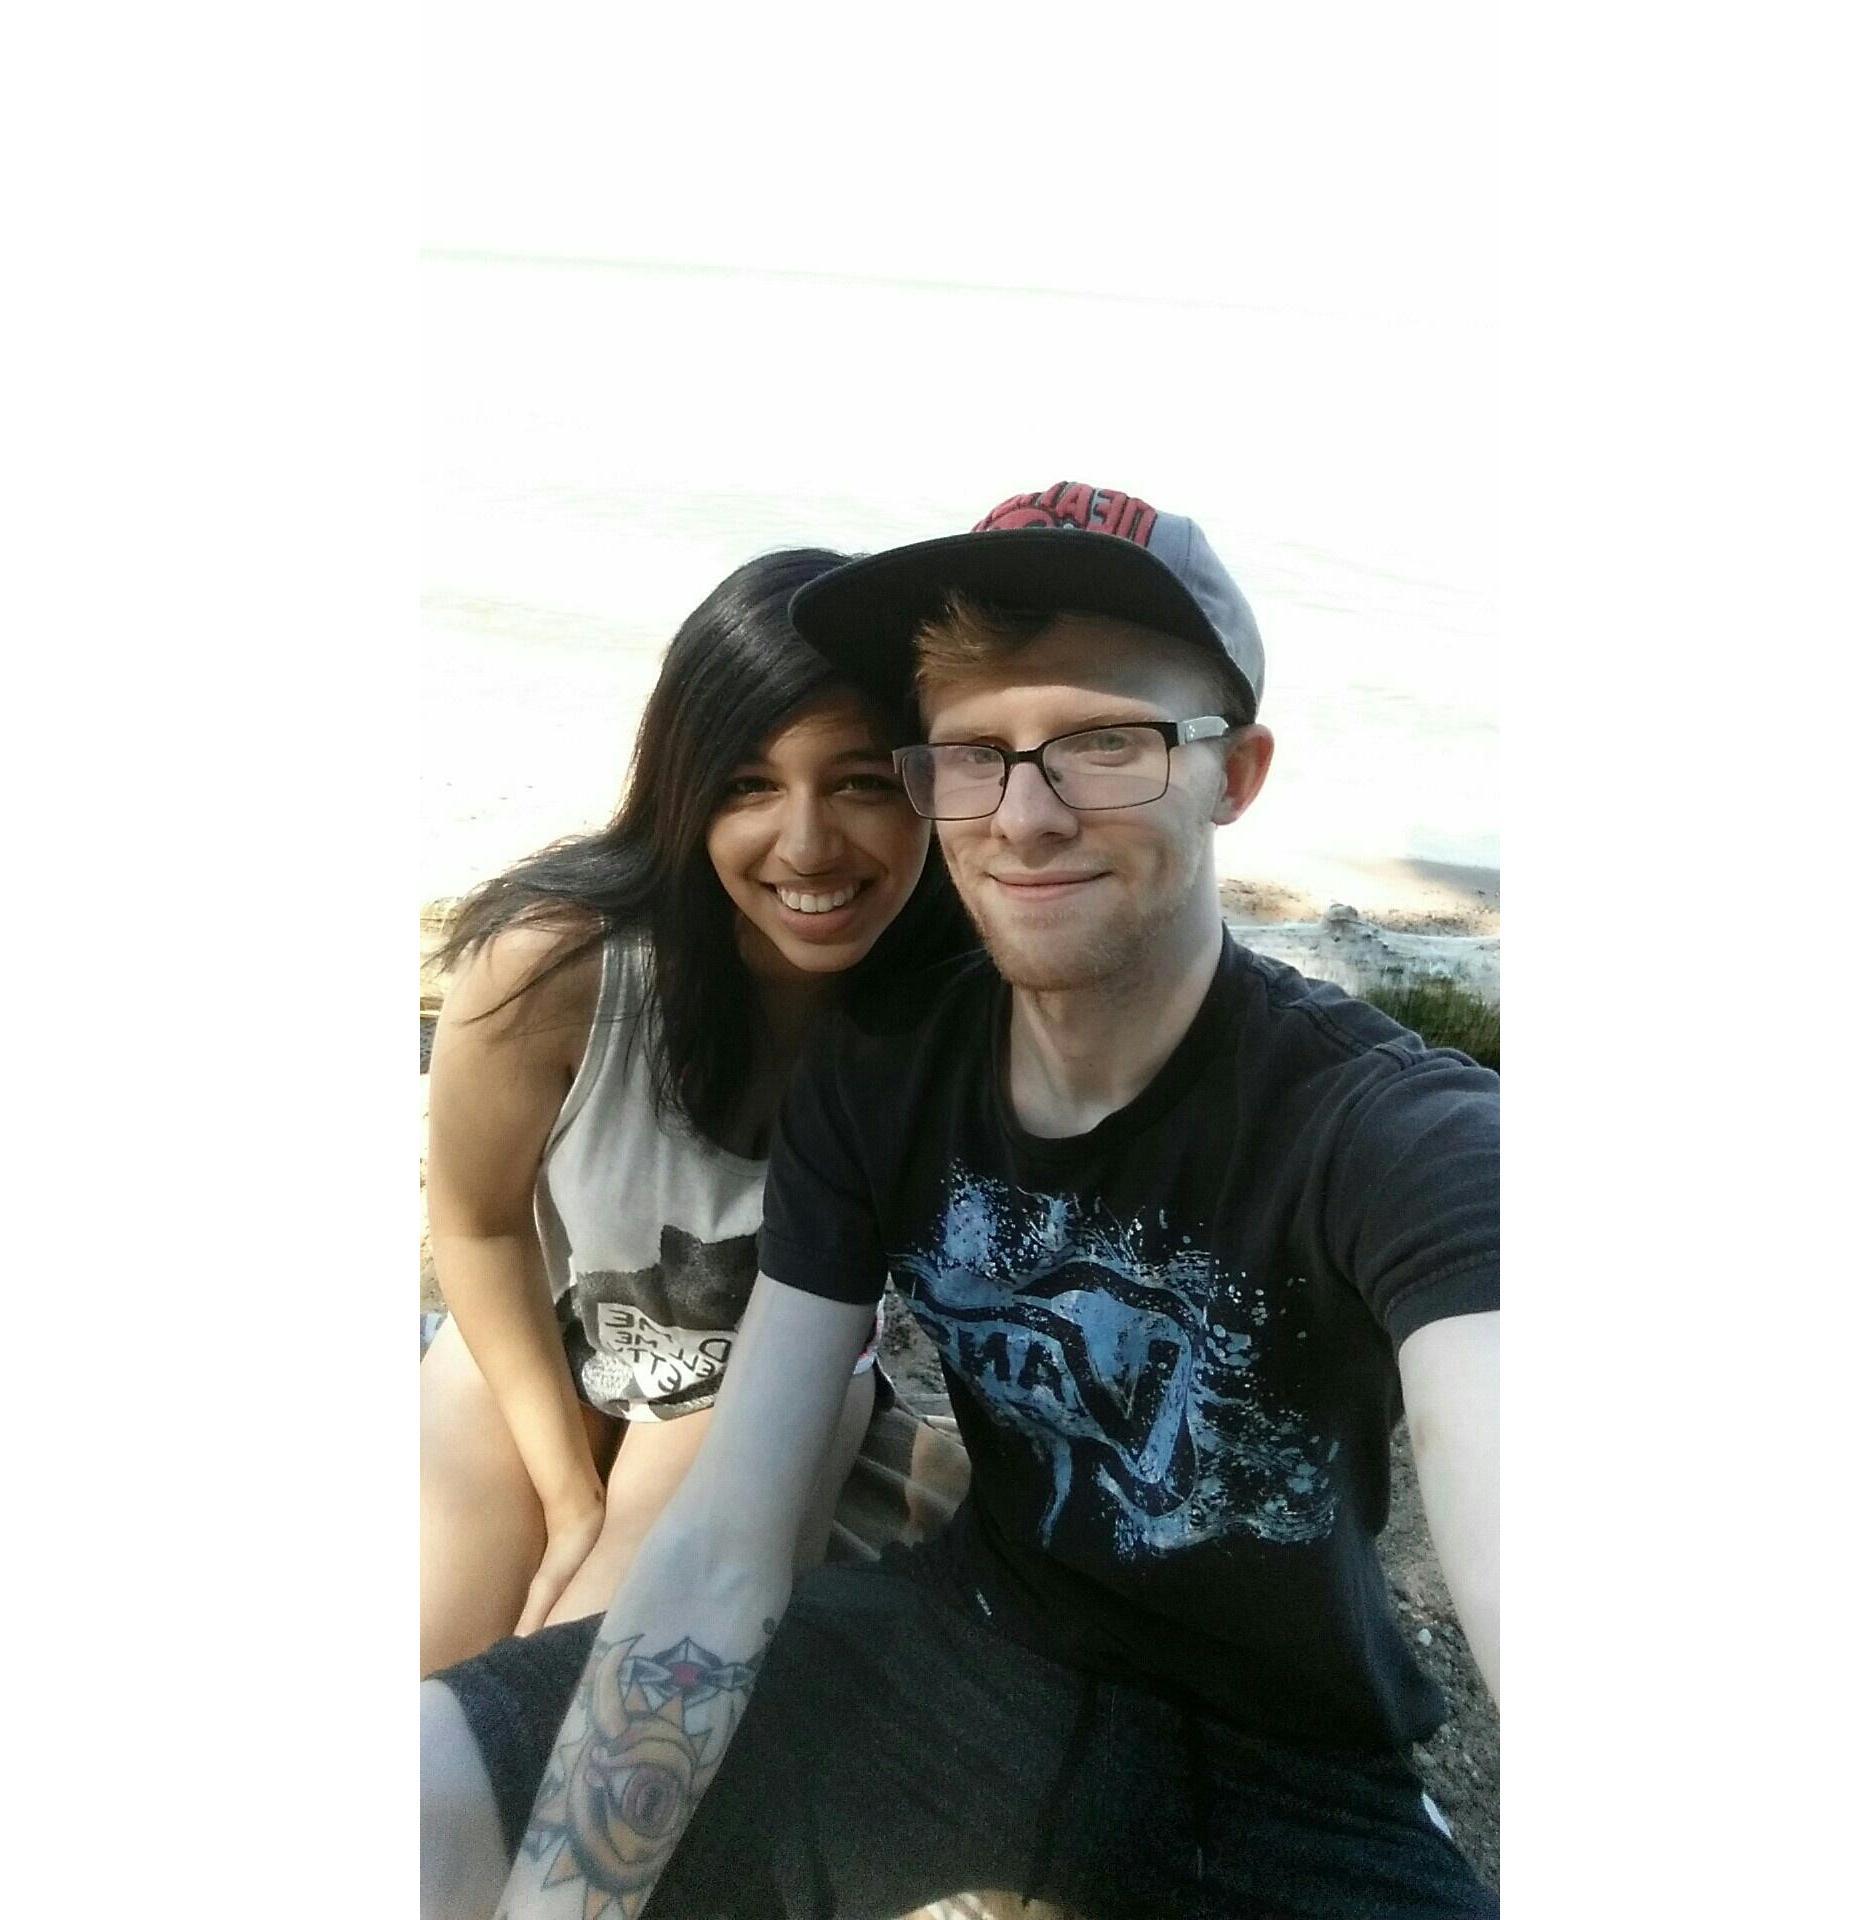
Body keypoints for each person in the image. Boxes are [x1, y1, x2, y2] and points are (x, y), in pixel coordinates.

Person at [422, 483, 1500, 1918]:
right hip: (958, 1666)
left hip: (1291, 1768)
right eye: (975, 755)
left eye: (1105, 744)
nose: (1027, 817)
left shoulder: (1394, 1133)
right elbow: (725, 1546)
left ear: (1235, 773)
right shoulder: (883, 1066)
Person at [420, 546, 972, 1677]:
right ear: (682, 790)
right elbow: (475, 1223)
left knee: (588, 1688)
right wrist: (568, 1495)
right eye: (747, 785)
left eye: (861, 782)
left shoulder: (958, 1009)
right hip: (541, 1339)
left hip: (759, 1377)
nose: (806, 844)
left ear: (931, 784)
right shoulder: (553, 968)